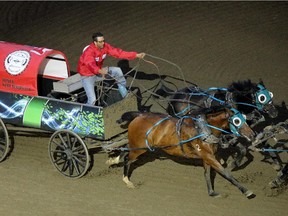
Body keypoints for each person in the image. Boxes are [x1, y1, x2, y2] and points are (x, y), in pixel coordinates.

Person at [77, 32, 145, 105]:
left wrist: (136, 55)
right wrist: (100, 71)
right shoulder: (88, 52)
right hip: (87, 76)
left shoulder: (105, 47)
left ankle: (125, 94)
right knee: (92, 100)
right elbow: (90, 64)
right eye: (100, 42)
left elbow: (118, 53)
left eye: (103, 41)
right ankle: (85, 113)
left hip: (99, 72)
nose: (103, 43)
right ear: (95, 42)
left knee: (117, 71)